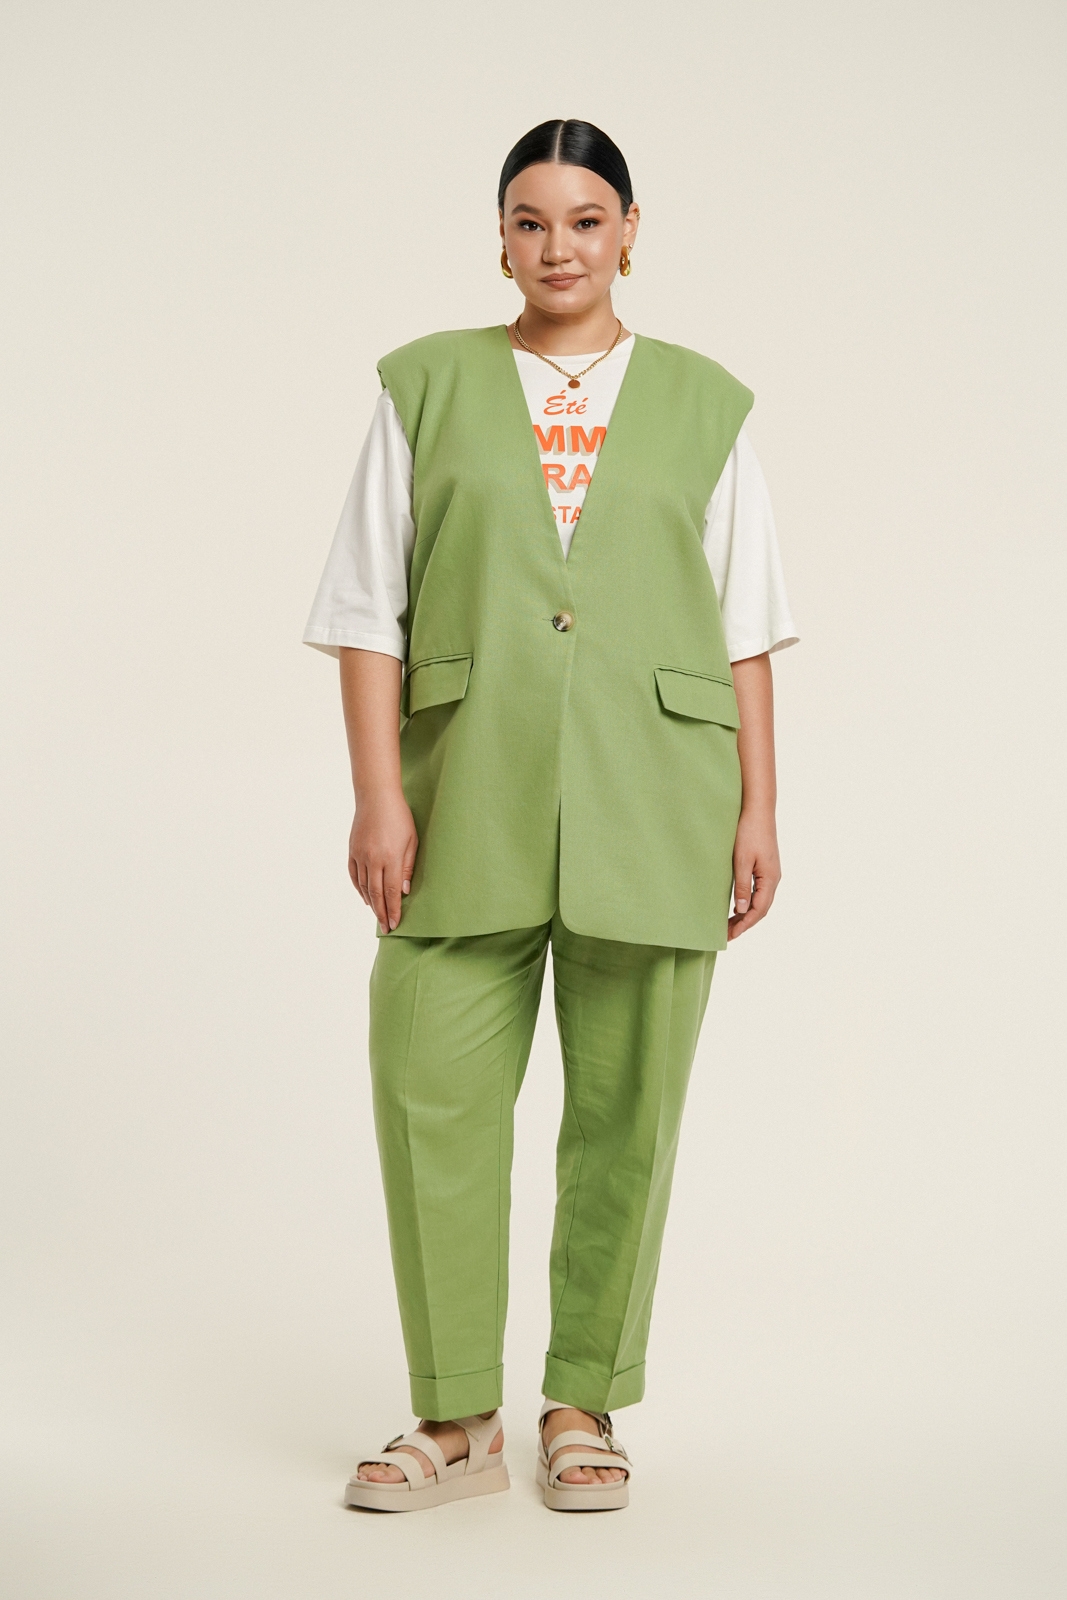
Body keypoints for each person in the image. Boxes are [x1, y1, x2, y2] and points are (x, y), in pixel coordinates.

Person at [303, 118, 797, 1513]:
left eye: (586, 220)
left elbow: (746, 625)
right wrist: (378, 796)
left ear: (630, 232)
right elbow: (366, 610)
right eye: (530, 221)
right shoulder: (425, 386)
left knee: (629, 1116)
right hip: (464, 794)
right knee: (432, 1092)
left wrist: (761, 806)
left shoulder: (706, 404)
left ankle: (586, 1402)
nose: (558, 247)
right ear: (502, 240)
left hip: (660, 794)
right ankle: (457, 1417)